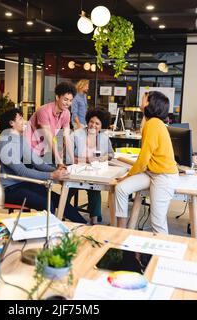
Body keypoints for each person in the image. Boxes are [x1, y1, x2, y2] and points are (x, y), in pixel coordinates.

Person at [0, 109, 87, 224]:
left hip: (22, 183)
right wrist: (52, 175)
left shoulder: (20, 139)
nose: (25, 121)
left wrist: (58, 170)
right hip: (7, 189)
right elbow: (21, 171)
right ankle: (48, 234)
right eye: (20, 119)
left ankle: (84, 225)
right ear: (11, 123)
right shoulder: (4, 143)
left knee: (58, 199)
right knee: (46, 204)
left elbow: (37, 162)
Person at [115, 91, 178, 234]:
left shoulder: (154, 124)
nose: (141, 100)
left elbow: (143, 158)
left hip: (164, 176)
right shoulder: (150, 122)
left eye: (144, 98)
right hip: (151, 173)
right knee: (121, 189)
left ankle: (162, 255)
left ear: (150, 103)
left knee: (157, 222)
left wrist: (128, 175)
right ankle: (121, 232)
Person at [68, 108, 114, 224]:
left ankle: (94, 220)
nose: (93, 125)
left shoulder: (104, 137)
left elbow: (111, 154)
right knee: (69, 188)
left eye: (97, 123)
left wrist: (104, 158)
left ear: (102, 126)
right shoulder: (76, 135)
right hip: (76, 171)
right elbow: (67, 157)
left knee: (94, 189)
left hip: (94, 172)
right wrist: (87, 160)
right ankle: (62, 210)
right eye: (91, 122)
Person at [26, 82, 76, 166]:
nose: (68, 103)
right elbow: (48, 137)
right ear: (57, 97)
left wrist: (73, 162)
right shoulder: (43, 111)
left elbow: (67, 137)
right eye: (65, 99)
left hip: (44, 149)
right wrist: (59, 162)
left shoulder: (66, 113)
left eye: (70, 100)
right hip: (30, 148)